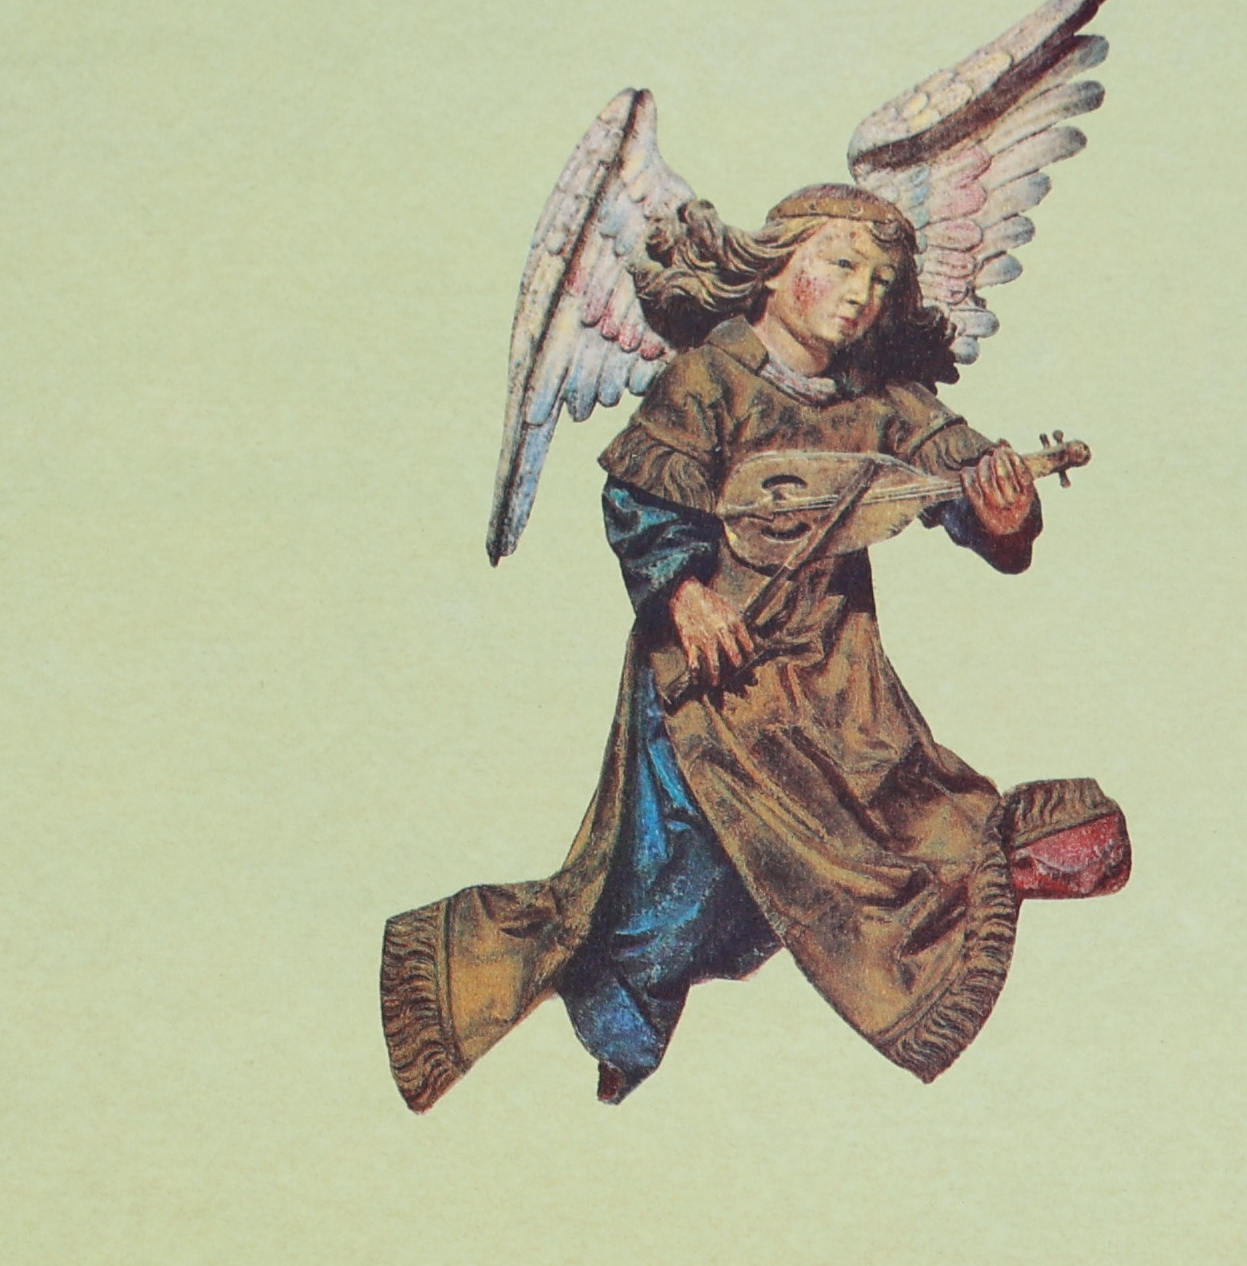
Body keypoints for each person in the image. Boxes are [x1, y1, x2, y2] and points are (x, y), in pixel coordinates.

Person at [382, 182, 1127, 1109]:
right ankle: (541, 1000)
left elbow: (959, 480)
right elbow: (637, 498)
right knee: (679, 886)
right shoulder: (709, 379)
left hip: (838, 684)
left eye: (880, 279)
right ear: (775, 267)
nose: (860, 293)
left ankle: (1012, 863)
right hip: (715, 681)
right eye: (841, 264)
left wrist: (1001, 513)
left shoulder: (884, 401)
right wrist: (685, 594)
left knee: (889, 831)